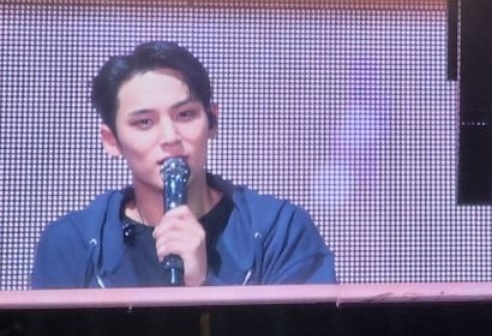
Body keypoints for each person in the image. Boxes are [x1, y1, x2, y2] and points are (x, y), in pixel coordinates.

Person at [30, 41, 336, 288]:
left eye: (185, 115)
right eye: (144, 122)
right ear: (112, 140)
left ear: (212, 120)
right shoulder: (71, 243)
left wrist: (203, 285)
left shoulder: (279, 230)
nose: (170, 137)